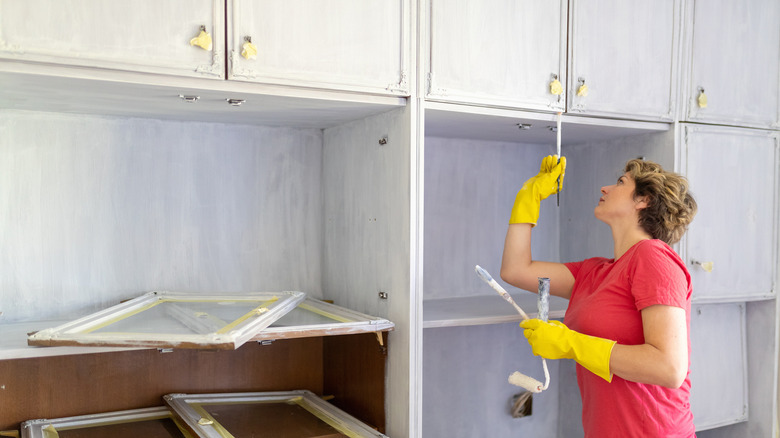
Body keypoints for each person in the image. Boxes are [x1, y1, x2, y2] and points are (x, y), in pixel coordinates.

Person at [500, 155, 697, 437]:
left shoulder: (653, 257)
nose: (605, 188)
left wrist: (570, 343)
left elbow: (669, 368)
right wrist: (527, 197)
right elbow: (515, 270)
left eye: (620, 183)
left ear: (644, 200)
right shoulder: (594, 271)